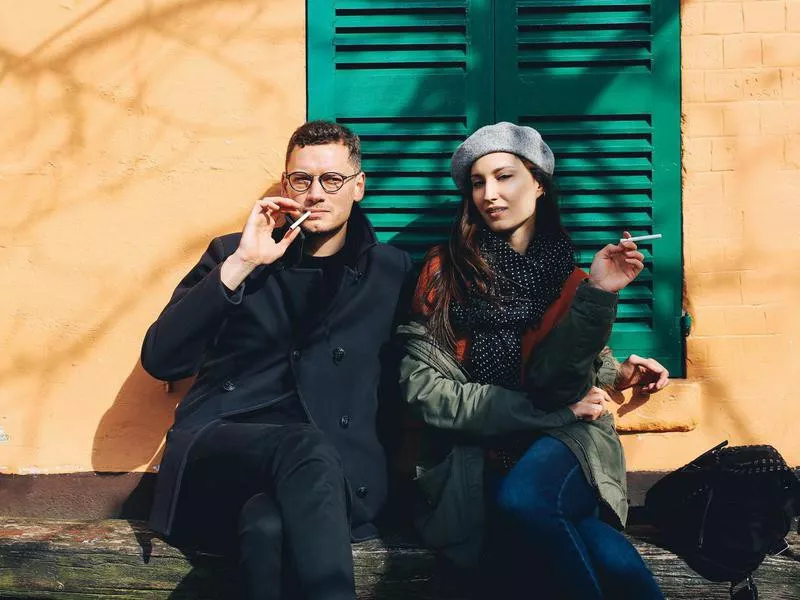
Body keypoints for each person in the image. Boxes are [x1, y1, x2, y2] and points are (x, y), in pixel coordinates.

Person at [140, 120, 413, 600]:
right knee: (303, 447)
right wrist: (243, 264)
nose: (315, 194)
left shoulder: (388, 272)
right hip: (223, 446)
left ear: (359, 187)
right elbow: (162, 359)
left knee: (266, 528)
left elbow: (431, 359)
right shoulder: (234, 253)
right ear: (286, 185)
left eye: (332, 180)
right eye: (301, 180)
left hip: (328, 478)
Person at [397, 122, 669, 599]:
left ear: (539, 183)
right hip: (485, 448)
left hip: (569, 439)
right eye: (478, 182)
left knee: (526, 500)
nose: (490, 194)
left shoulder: (569, 278)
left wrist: (604, 311)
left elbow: (561, 370)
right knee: (596, 544)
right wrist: (550, 410)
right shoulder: (444, 274)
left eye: (505, 177)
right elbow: (425, 390)